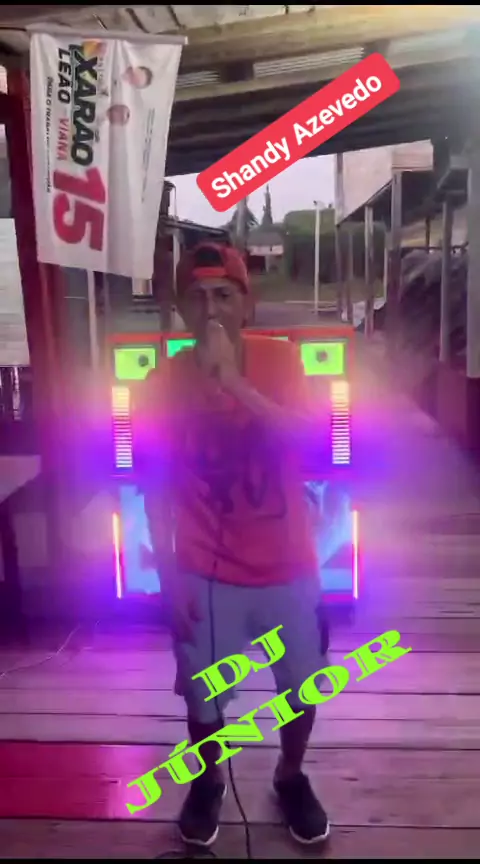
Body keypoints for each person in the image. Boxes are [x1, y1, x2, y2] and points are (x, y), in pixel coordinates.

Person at [135, 241, 330, 849]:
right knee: (203, 698)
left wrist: (233, 383)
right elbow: (155, 489)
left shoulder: (282, 361)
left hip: (287, 563)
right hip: (203, 565)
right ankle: (209, 781)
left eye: (223, 295)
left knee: (301, 687)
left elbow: (313, 445)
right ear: (179, 309)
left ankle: (290, 775)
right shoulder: (160, 383)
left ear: (248, 305)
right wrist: (169, 581)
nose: (211, 308)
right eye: (196, 297)